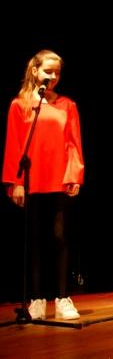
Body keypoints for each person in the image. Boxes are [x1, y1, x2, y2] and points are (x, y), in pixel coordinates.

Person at [2, 50, 83, 320]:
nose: (53, 76)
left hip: (59, 179)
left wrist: (74, 175)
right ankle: (36, 299)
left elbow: (73, 143)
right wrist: (16, 182)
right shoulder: (20, 105)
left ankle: (62, 297)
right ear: (35, 71)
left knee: (60, 237)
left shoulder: (67, 105)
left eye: (57, 72)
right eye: (48, 71)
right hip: (31, 180)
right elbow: (14, 144)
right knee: (34, 240)